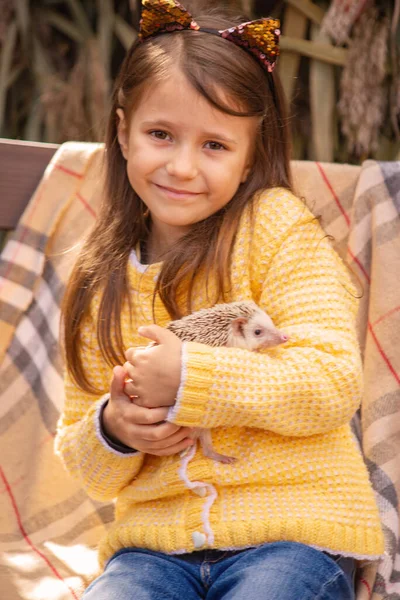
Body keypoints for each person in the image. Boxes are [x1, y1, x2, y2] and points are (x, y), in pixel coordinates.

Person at [55, 1, 384, 598]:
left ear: (251, 154)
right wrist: (114, 428)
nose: (182, 167)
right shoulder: (95, 275)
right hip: (153, 552)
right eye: (161, 135)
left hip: (296, 535)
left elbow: (333, 381)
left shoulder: (275, 229)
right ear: (123, 131)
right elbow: (88, 467)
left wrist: (193, 377)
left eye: (214, 145)